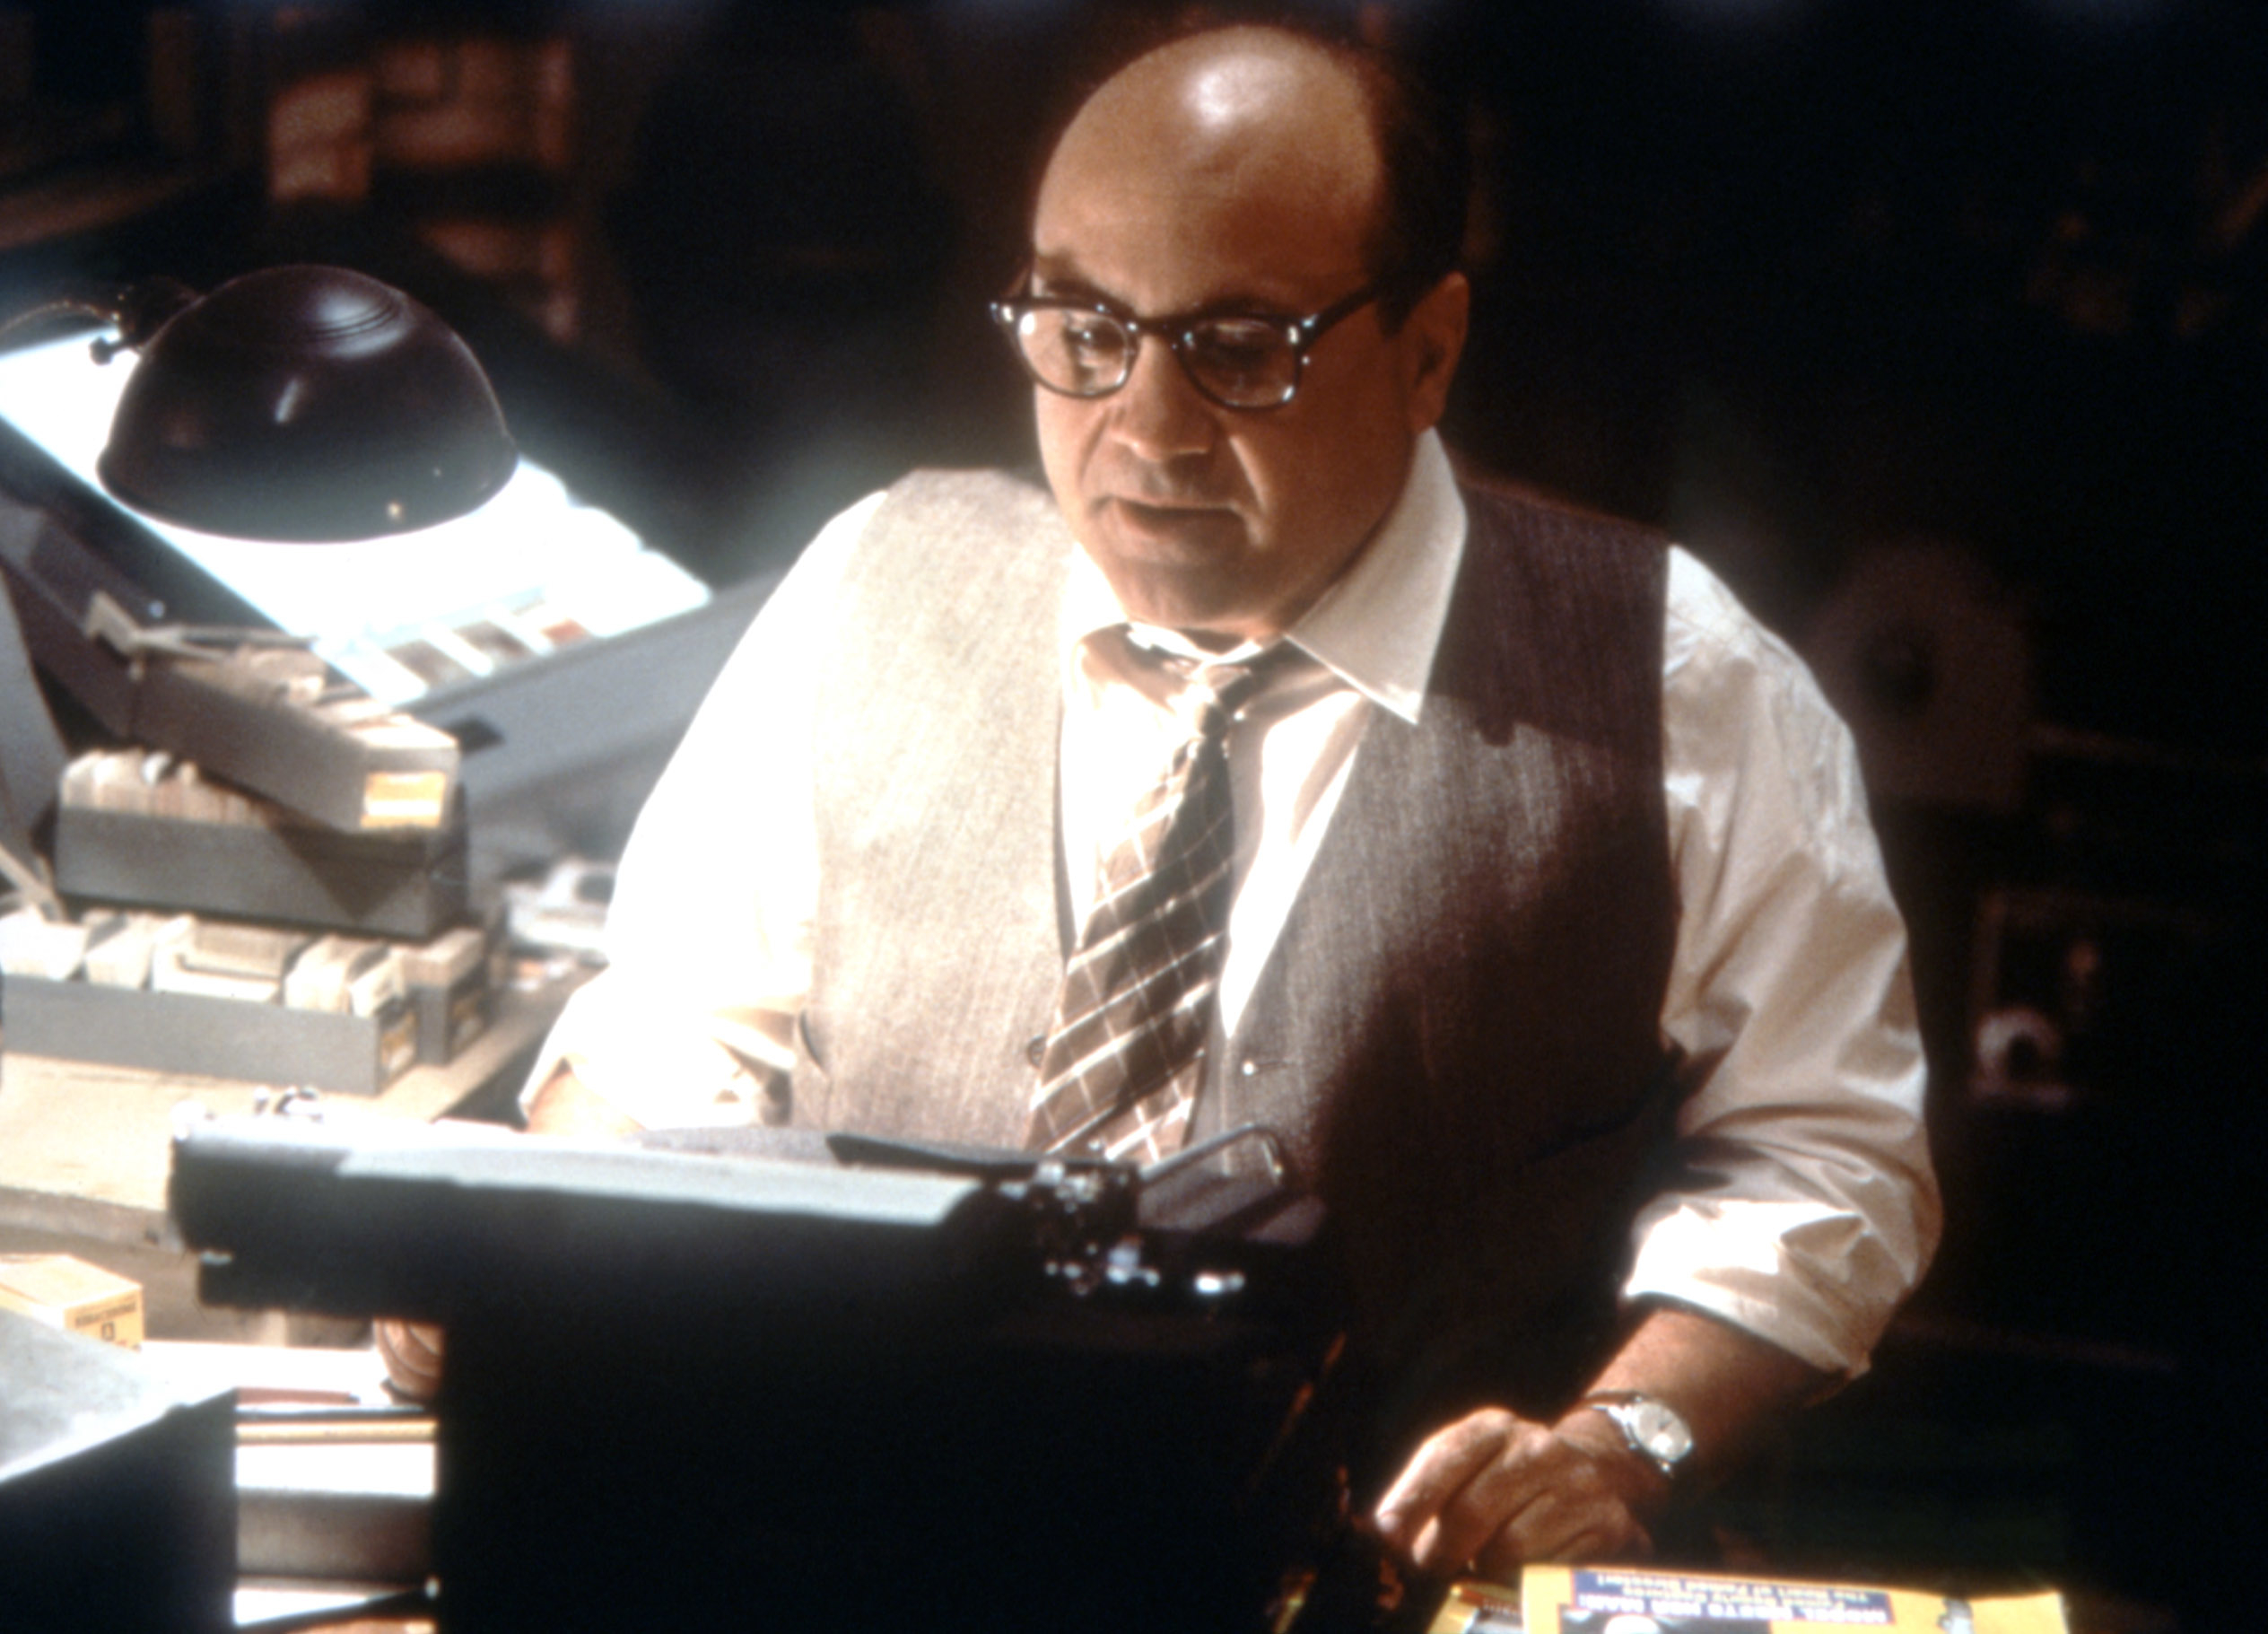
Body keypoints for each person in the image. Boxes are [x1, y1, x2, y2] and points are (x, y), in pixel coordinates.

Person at [387, 19, 1939, 1586]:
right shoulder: (876, 581)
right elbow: (671, 1040)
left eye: (1240, 346)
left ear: (1427, 351)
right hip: (868, 1556)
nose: (1144, 426)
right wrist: (533, 1265)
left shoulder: (1676, 679)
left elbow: (1827, 1154)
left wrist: (1619, 1442)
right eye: (1082, 328)